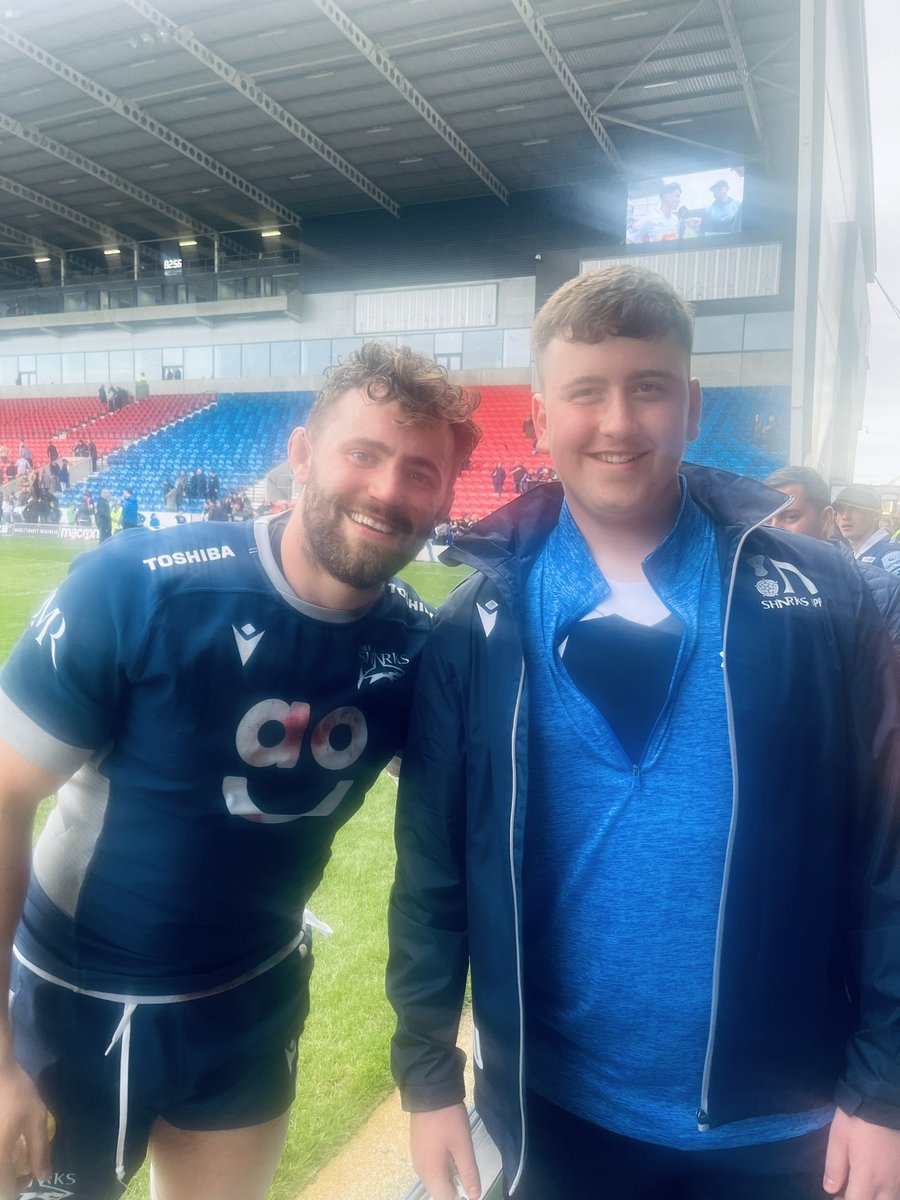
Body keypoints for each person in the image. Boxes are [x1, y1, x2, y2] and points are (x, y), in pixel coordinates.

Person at [387, 266, 900, 1200]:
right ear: (539, 421)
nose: (618, 422)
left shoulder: (825, 595)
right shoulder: (475, 626)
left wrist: (887, 1088)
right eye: (586, 391)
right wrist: (427, 1080)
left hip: (794, 1123)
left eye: (648, 387)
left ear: (693, 404)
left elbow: (889, 851)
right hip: (560, 1116)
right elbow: (432, 875)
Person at [0, 342, 479, 1200]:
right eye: (362, 454)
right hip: (73, 1003)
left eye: (419, 471)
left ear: (446, 494)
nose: (385, 490)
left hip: (250, 1001)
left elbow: (469, 829)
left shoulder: (419, 646)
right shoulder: (136, 590)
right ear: (300, 456)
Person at [766, 464, 900, 654]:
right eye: (765, 519)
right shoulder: (746, 585)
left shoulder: (887, 581)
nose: (773, 529)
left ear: (825, 518)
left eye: (791, 517)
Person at [833, 484, 900, 576]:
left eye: (854, 509)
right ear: (836, 519)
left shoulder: (891, 556)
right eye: (840, 510)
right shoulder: (851, 555)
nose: (845, 516)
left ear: (876, 514)